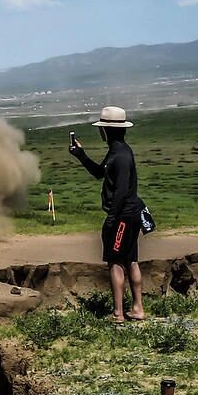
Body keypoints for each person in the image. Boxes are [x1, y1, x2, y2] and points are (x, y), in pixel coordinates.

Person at [69, 106, 146, 323]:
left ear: (105, 130)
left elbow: (120, 190)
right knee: (131, 260)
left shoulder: (119, 155)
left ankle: (118, 313)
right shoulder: (120, 151)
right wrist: (81, 156)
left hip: (122, 216)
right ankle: (138, 308)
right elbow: (100, 173)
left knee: (115, 261)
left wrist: (112, 219)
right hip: (131, 214)